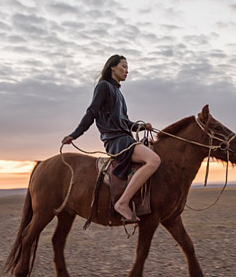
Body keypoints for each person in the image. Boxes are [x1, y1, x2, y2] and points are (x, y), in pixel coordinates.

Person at [61, 55, 161, 222]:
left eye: (128, 68)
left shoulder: (119, 94)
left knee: (154, 151)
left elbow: (125, 122)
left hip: (125, 138)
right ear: (112, 67)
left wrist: (142, 127)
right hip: (117, 141)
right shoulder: (103, 87)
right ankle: (122, 203)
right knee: (154, 160)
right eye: (124, 67)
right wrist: (75, 134)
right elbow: (91, 112)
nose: (127, 71)